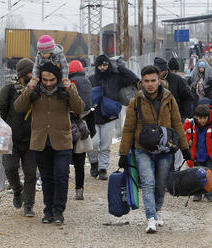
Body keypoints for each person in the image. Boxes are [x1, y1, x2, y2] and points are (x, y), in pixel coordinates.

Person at [118, 65, 191, 233]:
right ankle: (150, 218)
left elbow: (177, 124)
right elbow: (128, 129)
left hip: (165, 149)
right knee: (148, 182)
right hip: (142, 149)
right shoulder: (135, 102)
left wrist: (185, 148)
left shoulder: (169, 98)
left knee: (160, 184)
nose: (150, 84)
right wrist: (123, 153)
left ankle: (157, 210)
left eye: (153, 80)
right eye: (146, 81)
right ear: (141, 82)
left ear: (159, 81)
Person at [14, 62, 85, 224]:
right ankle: (49, 210)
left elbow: (79, 108)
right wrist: (29, 88)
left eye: (51, 80)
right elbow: (19, 107)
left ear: (57, 78)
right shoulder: (35, 92)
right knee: (47, 178)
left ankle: (59, 210)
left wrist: (70, 89)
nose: (48, 83)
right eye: (44, 80)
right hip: (40, 141)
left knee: (61, 175)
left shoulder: (65, 91)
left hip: (62, 141)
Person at [88, 55, 139, 180]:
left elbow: (134, 79)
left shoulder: (116, 78)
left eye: (105, 65)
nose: (103, 68)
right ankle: (94, 163)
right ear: (96, 66)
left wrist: (121, 68)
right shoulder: (91, 79)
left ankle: (103, 169)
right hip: (93, 116)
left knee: (105, 145)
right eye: (100, 65)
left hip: (109, 116)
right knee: (93, 144)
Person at [0, 58, 37, 217]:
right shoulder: (8, 90)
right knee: (10, 168)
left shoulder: (37, 90)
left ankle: (28, 205)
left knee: (30, 173)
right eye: (29, 73)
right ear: (21, 74)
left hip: (31, 140)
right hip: (11, 140)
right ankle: (17, 190)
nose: (31, 75)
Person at [183, 104, 212, 202]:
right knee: (197, 176)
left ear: (208, 117)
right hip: (196, 157)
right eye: (200, 118)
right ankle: (198, 194)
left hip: (210, 157)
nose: (202, 120)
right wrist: (187, 139)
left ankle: (209, 194)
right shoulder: (190, 124)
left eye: (205, 118)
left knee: (210, 175)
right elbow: (182, 132)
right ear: (196, 117)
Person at [68, 60, 96, 200]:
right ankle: (79, 190)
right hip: (84, 122)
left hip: (71, 123)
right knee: (80, 161)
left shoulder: (71, 82)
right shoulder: (87, 81)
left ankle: (62, 188)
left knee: (65, 157)